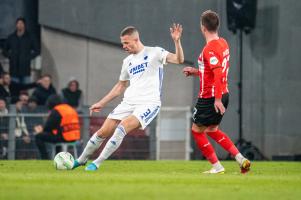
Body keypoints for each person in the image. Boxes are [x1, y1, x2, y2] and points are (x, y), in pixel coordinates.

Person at [73, 24, 184, 171]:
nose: (124, 46)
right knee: (102, 132)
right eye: (122, 43)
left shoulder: (155, 52)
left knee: (121, 128)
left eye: (126, 43)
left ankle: (97, 163)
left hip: (149, 103)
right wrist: (101, 102)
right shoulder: (127, 62)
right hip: (128, 102)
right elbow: (120, 86)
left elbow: (179, 59)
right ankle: (80, 160)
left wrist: (176, 41)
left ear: (136, 39)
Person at [183, 10, 251, 174]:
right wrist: (196, 71)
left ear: (203, 27)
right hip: (223, 93)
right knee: (212, 130)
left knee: (196, 130)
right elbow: (213, 71)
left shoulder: (210, 49)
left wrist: (217, 99)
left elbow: (219, 73)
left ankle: (217, 166)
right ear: (217, 26)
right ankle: (240, 158)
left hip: (211, 97)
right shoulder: (223, 43)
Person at [34, 95, 80, 159]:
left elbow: (49, 126)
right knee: (56, 134)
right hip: (74, 137)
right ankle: (57, 157)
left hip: (64, 137)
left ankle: (45, 158)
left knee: (38, 136)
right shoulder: (70, 108)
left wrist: (41, 130)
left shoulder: (57, 110)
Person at [3, 17, 40, 84]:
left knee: (24, 90)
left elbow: (37, 50)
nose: (19, 25)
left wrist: (28, 57)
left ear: (24, 25)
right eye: (18, 23)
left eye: (21, 23)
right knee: (15, 91)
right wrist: (11, 56)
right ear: (16, 25)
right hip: (14, 70)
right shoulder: (11, 37)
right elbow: (4, 50)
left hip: (25, 69)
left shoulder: (30, 37)